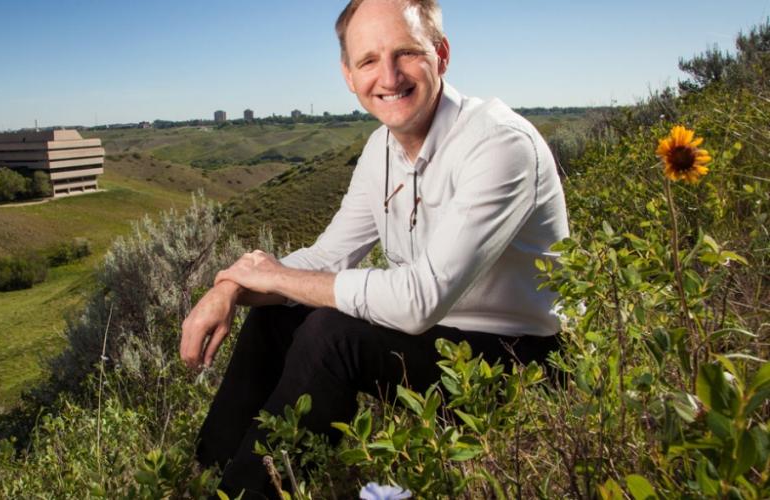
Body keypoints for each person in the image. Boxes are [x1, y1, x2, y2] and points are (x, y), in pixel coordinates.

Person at [180, 0, 569, 497]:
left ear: (441, 55)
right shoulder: (380, 149)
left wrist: (276, 277)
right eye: (368, 61)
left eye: (405, 53)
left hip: (522, 361)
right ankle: (205, 478)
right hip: (439, 343)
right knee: (281, 314)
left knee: (332, 334)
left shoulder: (498, 144)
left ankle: (248, 493)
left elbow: (418, 300)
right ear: (348, 75)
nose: (388, 76)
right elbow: (328, 257)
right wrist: (230, 286)